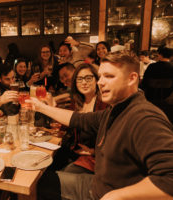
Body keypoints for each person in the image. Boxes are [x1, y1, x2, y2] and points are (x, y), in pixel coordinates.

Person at [30, 51, 173, 200]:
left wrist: (117, 196)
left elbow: (169, 180)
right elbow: (78, 119)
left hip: (102, 194)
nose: (100, 82)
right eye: (101, 76)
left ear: (132, 79)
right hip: (95, 184)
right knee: (37, 181)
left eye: (109, 76)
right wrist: (41, 107)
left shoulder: (143, 117)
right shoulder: (115, 110)